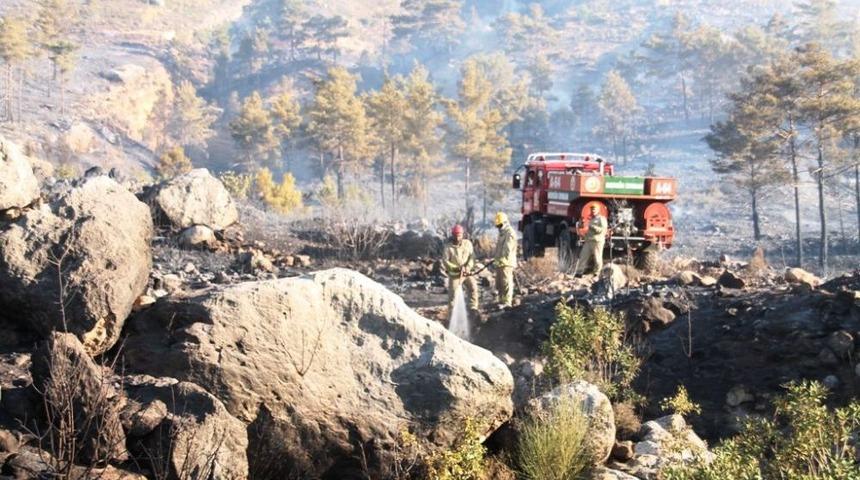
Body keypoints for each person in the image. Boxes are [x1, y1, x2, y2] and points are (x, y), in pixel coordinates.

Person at [442, 224, 480, 321]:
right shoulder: (448, 247)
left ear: (462, 235)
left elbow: (472, 257)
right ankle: (451, 317)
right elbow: (446, 262)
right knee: (453, 296)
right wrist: (456, 268)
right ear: (452, 235)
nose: (458, 237)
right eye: (456, 235)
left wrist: (467, 267)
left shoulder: (468, 244)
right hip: (455, 275)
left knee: (473, 287)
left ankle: (473, 309)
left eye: (459, 235)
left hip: (466, 273)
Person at [574, 204, 608, 276]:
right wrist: (581, 224)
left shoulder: (601, 219)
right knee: (583, 256)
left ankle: (597, 273)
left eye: (594, 209)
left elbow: (602, 230)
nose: (593, 211)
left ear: (598, 210)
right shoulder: (591, 219)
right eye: (592, 209)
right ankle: (579, 273)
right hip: (589, 240)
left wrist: (591, 226)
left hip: (597, 241)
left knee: (597, 258)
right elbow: (585, 228)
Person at [493, 212, 518, 309]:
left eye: (500, 225)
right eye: (497, 226)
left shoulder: (510, 233)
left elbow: (507, 249)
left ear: (505, 222)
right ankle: (501, 300)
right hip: (500, 262)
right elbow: (498, 248)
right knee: (499, 283)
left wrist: (501, 259)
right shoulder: (501, 233)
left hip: (507, 263)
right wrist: (496, 259)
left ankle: (507, 302)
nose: (498, 227)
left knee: (506, 282)